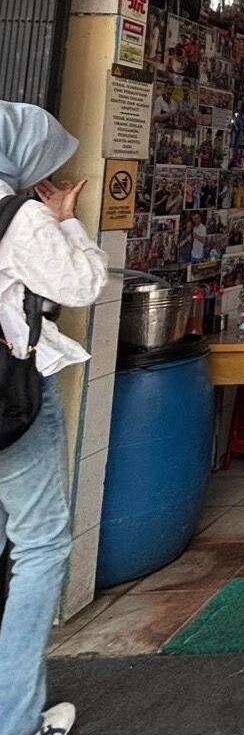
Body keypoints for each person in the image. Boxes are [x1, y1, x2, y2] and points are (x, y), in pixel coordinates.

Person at [0, 103, 108, 735]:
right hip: (12, 402)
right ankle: (16, 720)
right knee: (39, 547)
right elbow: (84, 284)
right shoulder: (21, 217)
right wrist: (66, 224)